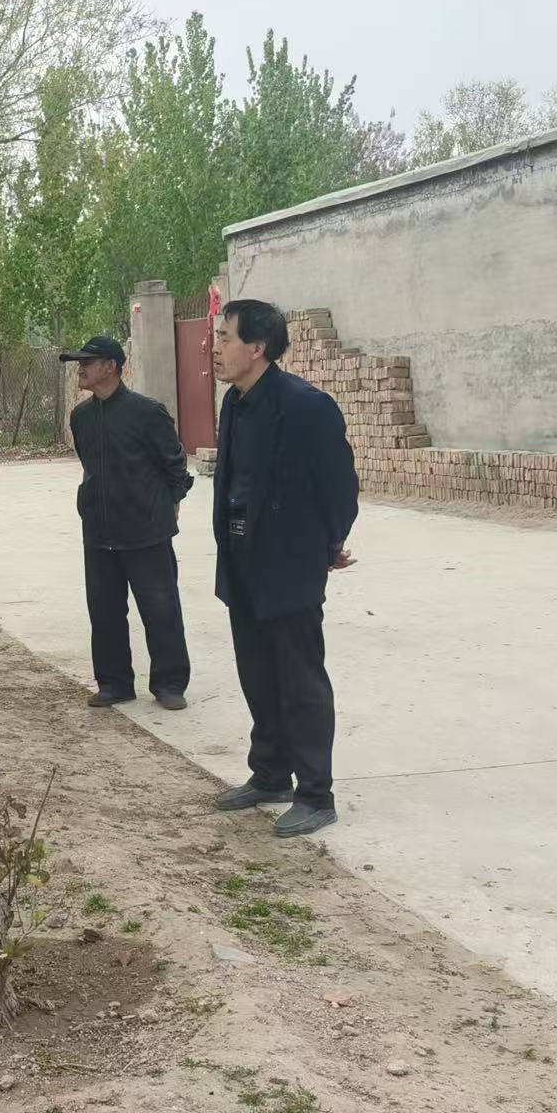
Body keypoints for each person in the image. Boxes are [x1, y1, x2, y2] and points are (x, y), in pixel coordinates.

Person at [207, 299, 359, 838]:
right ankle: (270, 774)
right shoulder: (235, 403)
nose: (216, 347)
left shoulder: (305, 406)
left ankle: (316, 794)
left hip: (290, 564)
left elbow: (340, 487)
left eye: (225, 337)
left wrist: (327, 545)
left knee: (300, 680)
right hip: (241, 558)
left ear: (258, 347)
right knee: (257, 673)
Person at [61, 335, 194, 711]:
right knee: (104, 611)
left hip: (145, 530)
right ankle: (114, 683)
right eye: (79, 363)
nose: (81, 369)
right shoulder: (81, 417)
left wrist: (170, 504)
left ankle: (169, 683)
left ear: (111, 367)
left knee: (160, 609)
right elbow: (90, 465)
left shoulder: (147, 412)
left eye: (88, 362)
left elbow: (175, 465)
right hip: (99, 531)